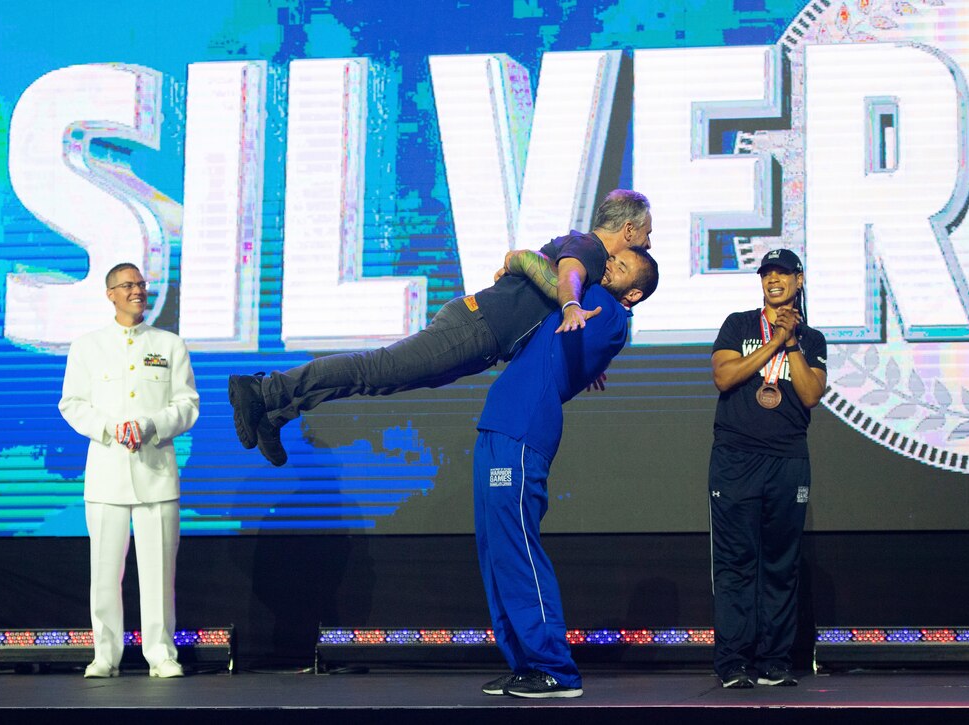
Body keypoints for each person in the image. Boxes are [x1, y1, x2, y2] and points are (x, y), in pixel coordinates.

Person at [229, 189, 652, 466]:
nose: (648, 244)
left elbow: (530, 266)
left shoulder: (593, 260)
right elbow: (569, 273)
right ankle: (264, 390)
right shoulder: (591, 250)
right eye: (646, 234)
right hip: (475, 325)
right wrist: (572, 304)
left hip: (479, 334)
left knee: (379, 381)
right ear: (628, 229)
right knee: (374, 370)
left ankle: (276, 411)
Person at [475, 247, 659, 699]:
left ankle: (554, 668)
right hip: (501, 423)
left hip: (522, 427)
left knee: (517, 547)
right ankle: (524, 665)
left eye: (619, 267)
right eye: (609, 262)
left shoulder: (608, 310)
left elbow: (565, 265)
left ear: (632, 293)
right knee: (497, 551)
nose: (606, 266)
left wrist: (520, 262)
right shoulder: (589, 309)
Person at [59, 263, 200, 678]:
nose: (138, 290)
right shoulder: (87, 346)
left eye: (141, 284)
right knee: (104, 572)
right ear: (110, 294)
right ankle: (105, 654)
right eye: (128, 285)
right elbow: (72, 403)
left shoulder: (169, 344)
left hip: (156, 473)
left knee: (159, 573)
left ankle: (161, 653)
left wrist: (152, 425)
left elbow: (188, 404)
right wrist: (107, 428)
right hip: (106, 475)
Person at [707, 248, 827, 688]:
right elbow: (724, 377)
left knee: (781, 563)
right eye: (767, 274)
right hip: (737, 458)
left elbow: (812, 394)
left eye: (783, 273)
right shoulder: (739, 325)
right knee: (737, 562)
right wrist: (774, 342)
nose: (773, 279)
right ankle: (734, 662)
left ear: (799, 279)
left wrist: (791, 342)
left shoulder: (812, 339)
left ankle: (775, 660)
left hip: (787, 461)